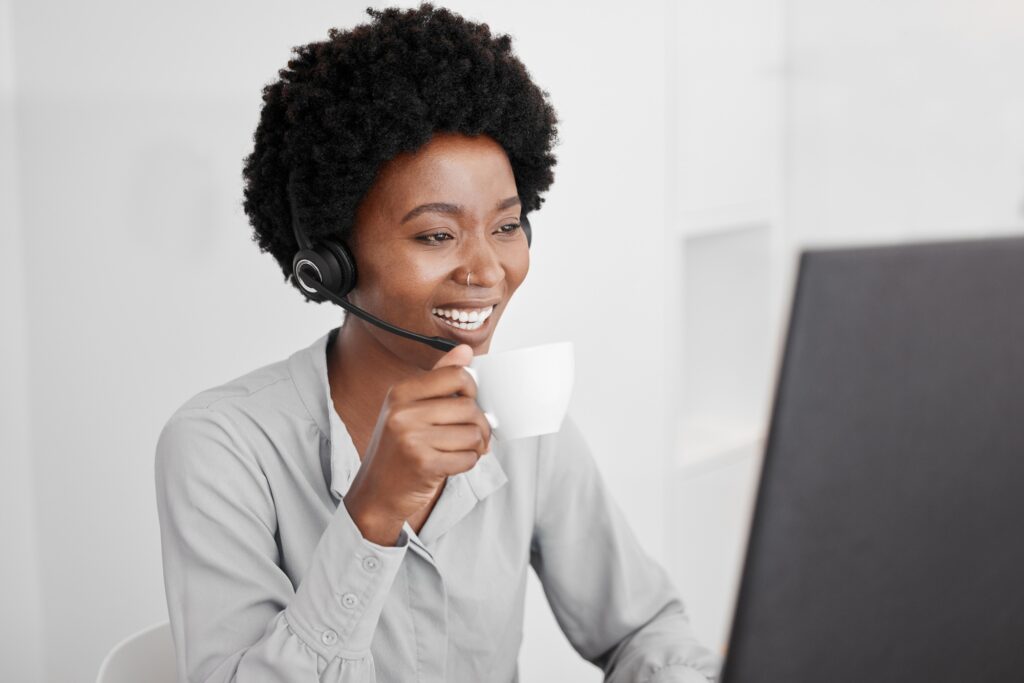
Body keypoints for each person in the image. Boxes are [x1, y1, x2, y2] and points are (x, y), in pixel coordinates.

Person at [154, 4, 721, 682]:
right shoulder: (222, 446)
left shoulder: (524, 422)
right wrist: (372, 514)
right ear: (328, 264)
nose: (487, 271)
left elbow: (645, 628)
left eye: (506, 227)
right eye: (436, 235)